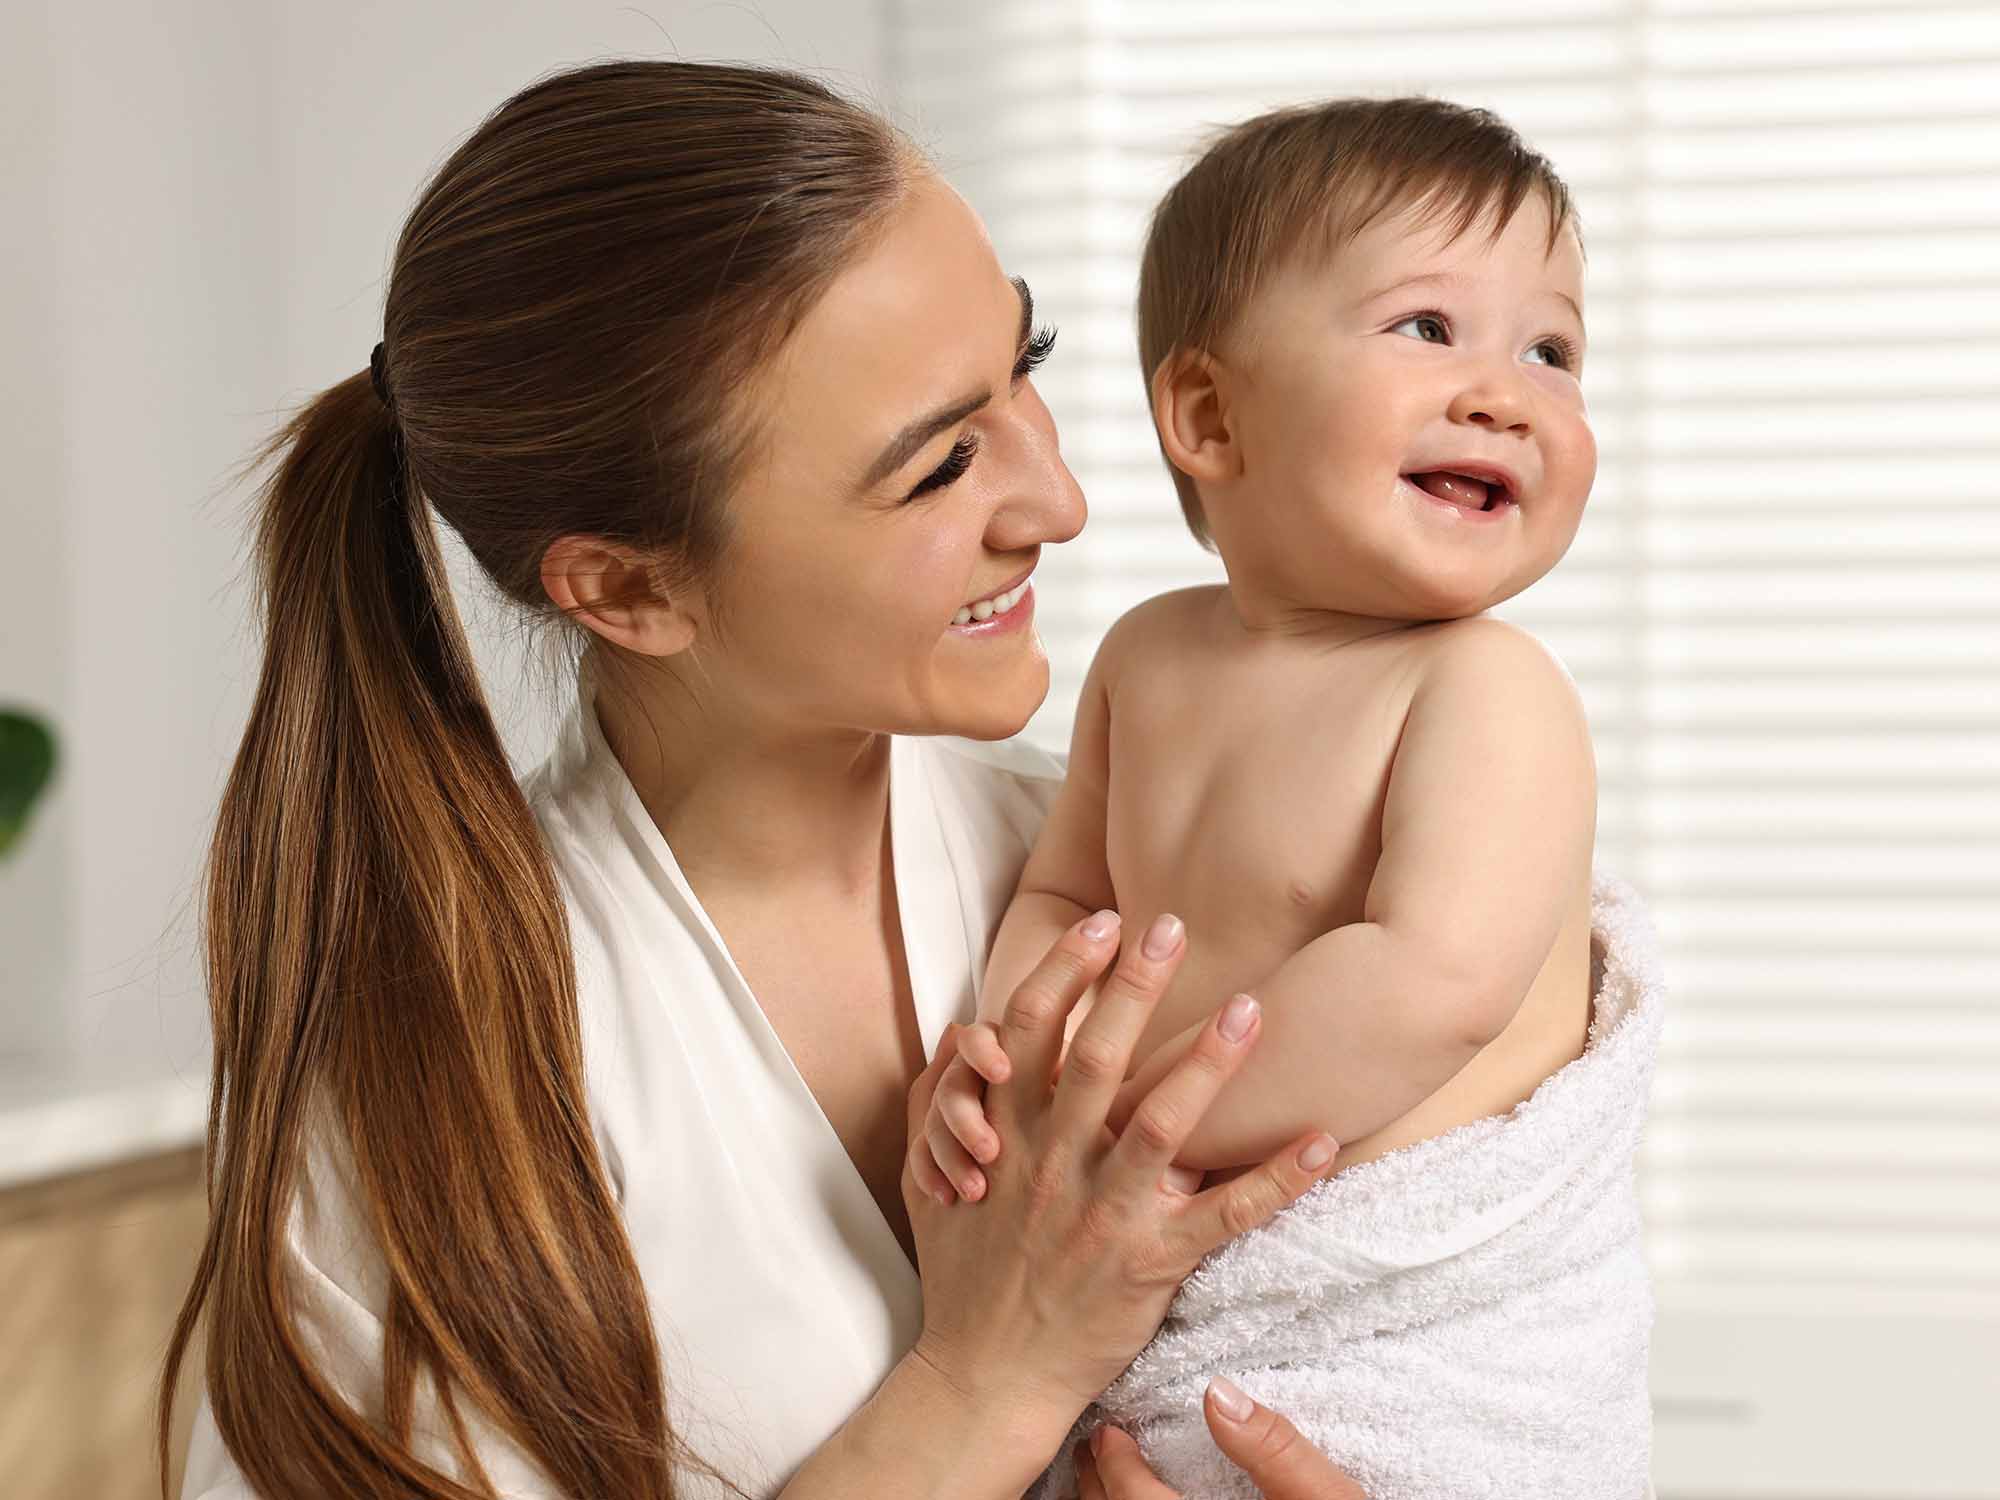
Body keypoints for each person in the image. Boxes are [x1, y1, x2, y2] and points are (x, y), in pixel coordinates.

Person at [160, 60, 1372, 1500]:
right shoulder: (426, 1085)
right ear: (627, 589)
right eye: (937, 469)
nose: (1059, 501)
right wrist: (984, 1387)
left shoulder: (1144, 869)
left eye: (1025, 367)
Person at [922, 99, 1663, 1498]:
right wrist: (1020, 1078)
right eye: (1429, 328)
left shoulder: (1485, 690)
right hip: (1202, 1274)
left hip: (1415, 1336)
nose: (1507, 389)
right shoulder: (1148, 655)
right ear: (1208, 414)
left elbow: (1431, 981)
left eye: (1553, 349)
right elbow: (1073, 896)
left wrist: (1129, 1126)